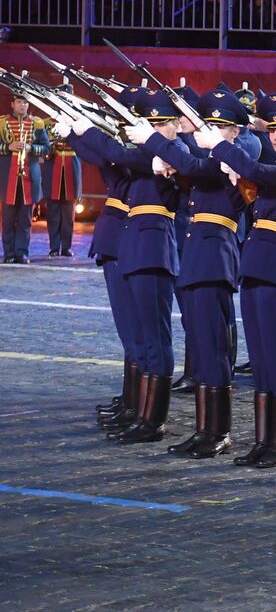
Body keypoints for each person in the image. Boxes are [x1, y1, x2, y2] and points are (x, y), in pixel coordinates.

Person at [127, 89, 257, 459]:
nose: (212, 131)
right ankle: (205, 429)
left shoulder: (235, 159)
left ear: (235, 132)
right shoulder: (212, 158)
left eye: (220, 126)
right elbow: (187, 170)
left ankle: (217, 432)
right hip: (199, 257)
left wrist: (153, 139)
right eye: (209, 124)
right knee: (202, 346)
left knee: (213, 350)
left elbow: (193, 168)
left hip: (214, 258)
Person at [69, 88, 186, 444]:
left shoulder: (176, 154)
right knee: (138, 335)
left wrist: (85, 130)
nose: (148, 130)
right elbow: (112, 160)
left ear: (173, 125)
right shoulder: (147, 156)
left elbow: (119, 153)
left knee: (154, 338)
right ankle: (141, 412)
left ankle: (153, 420)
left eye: (155, 124)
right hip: (135, 247)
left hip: (153, 248)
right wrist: (76, 134)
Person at [201, 92, 276, 469]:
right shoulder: (274, 164)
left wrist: (221, 147)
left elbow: (262, 175)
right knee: (261, 359)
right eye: (273, 129)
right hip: (254, 265)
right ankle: (265, 441)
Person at [72, 85, 140, 432]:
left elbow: (110, 153)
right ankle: (131, 401)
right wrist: (71, 130)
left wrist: (82, 130)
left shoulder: (142, 153)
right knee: (128, 331)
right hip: (116, 237)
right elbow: (101, 155)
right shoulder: (127, 149)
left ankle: (140, 408)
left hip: (130, 238)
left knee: (136, 331)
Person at [2, 93, 50, 263]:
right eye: (19, 102)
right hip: (8, 178)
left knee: (25, 219)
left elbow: (46, 148)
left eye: (25, 102)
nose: (22, 105)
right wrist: (8, 146)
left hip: (30, 177)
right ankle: (8, 253)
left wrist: (31, 147)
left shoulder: (37, 124)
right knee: (8, 220)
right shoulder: (2, 123)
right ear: (12, 103)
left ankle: (21, 252)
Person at [41, 94, 80, 256]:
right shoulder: (46, 123)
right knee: (53, 213)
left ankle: (66, 247)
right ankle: (54, 247)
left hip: (71, 169)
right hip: (53, 168)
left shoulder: (78, 123)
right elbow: (43, 147)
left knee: (68, 214)